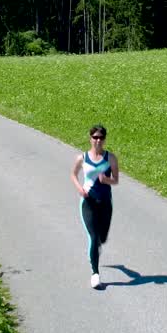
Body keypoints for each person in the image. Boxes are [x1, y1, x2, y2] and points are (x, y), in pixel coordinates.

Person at [71, 124, 119, 289]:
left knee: (102, 238)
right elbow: (73, 174)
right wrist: (80, 188)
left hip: (105, 202)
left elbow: (116, 180)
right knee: (93, 237)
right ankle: (95, 273)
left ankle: (98, 244)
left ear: (104, 139)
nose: (98, 140)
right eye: (95, 137)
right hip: (88, 202)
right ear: (90, 138)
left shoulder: (110, 158)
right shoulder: (82, 158)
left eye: (101, 137)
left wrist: (107, 180)